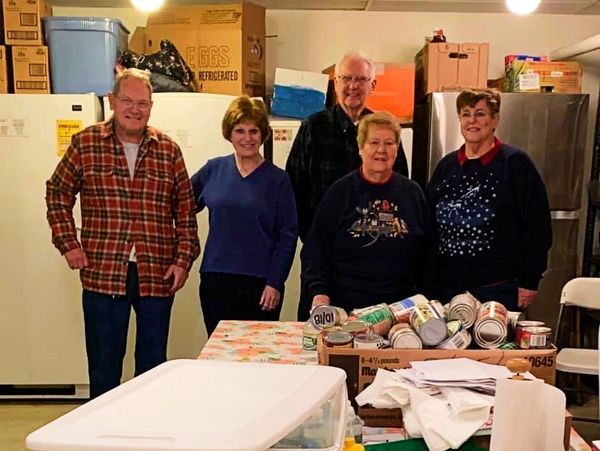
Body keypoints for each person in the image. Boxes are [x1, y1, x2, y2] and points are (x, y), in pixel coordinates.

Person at [46, 68, 200, 399]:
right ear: (113, 101)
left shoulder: (168, 151)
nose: (135, 109)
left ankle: (145, 433)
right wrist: (68, 244)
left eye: (142, 103)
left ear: (151, 106)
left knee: (153, 365)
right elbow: (57, 192)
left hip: (157, 275)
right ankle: (102, 437)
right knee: (104, 366)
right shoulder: (86, 143)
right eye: (127, 101)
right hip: (103, 273)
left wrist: (183, 261)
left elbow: (186, 211)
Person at [286, 50, 409, 319]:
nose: (353, 86)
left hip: (379, 271)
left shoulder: (384, 131)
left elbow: (402, 196)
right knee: (321, 339)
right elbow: (293, 191)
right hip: (324, 261)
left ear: (372, 85)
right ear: (335, 83)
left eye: (361, 79)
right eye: (346, 78)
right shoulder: (313, 128)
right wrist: (316, 239)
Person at [426, 88, 552, 312]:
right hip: (446, 289)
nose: (472, 121)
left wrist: (529, 281)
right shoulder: (446, 167)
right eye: (466, 114)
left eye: (480, 113)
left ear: (495, 119)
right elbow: (429, 227)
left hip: (498, 290)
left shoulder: (515, 163)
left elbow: (538, 227)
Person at [191, 96, 298, 337]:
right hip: (216, 280)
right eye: (240, 130)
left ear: (262, 135)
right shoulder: (213, 170)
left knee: (258, 356)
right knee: (220, 354)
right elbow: (180, 206)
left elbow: (287, 236)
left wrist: (275, 282)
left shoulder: (278, 180)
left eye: (253, 131)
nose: (247, 138)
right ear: (229, 133)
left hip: (261, 285)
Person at [302, 112, 430, 312]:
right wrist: (319, 293)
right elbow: (315, 251)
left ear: (397, 149)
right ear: (360, 148)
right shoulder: (338, 193)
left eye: (389, 143)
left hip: (400, 310)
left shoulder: (413, 194)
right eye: (374, 142)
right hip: (345, 307)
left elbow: (427, 256)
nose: (381, 150)